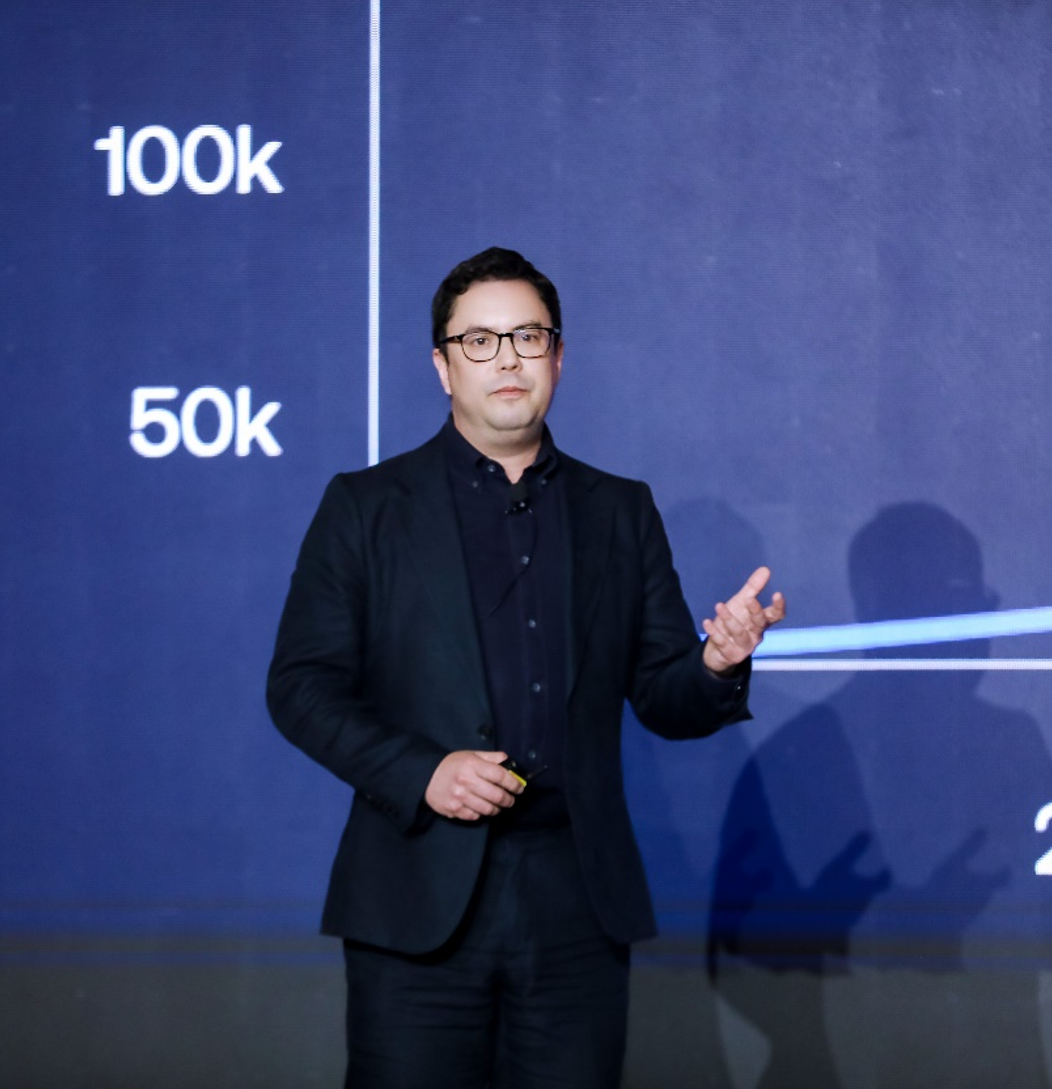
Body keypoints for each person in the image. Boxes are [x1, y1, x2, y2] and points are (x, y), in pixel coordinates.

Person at [267, 247, 785, 1088]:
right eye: (479, 341)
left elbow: (665, 696)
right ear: (442, 366)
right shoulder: (365, 506)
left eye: (527, 337)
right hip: (417, 896)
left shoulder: (619, 510)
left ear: (558, 356)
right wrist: (423, 772)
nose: (506, 359)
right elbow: (300, 686)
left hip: (576, 901)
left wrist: (717, 662)